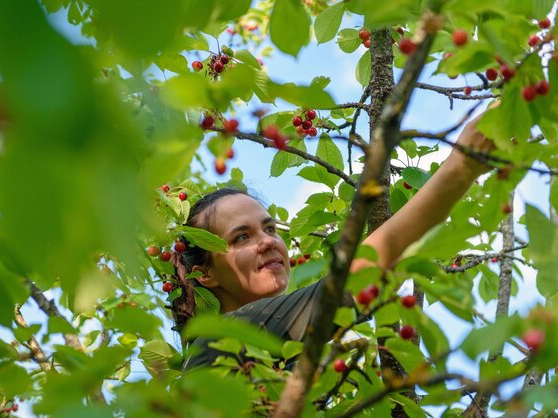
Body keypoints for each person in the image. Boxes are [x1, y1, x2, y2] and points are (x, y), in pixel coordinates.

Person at [173, 111, 495, 370]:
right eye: (241, 237)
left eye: (270, 229)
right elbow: (356, 279)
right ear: (205, 273)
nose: (268, 242)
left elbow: (384, 267)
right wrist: (461, 166)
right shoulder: (219, 342)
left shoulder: (279, 356)